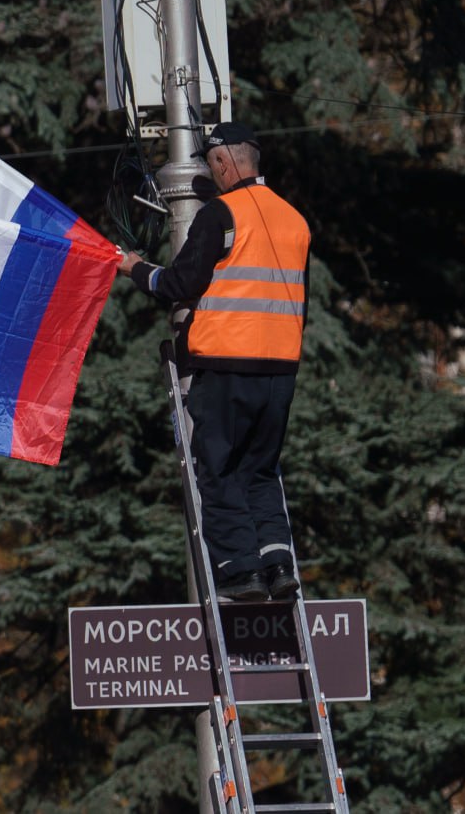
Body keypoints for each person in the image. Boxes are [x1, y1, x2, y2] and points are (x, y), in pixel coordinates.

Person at [118, 122, 311, 602]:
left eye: (213, 167)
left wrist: (131, 267)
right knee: (261, 470)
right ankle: (277, 562)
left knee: (219, 468)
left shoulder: (220, 216)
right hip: (280, 370)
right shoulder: (296, 221)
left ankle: (241, 571)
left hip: (226, 364)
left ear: (224, 163)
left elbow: (177, 285)